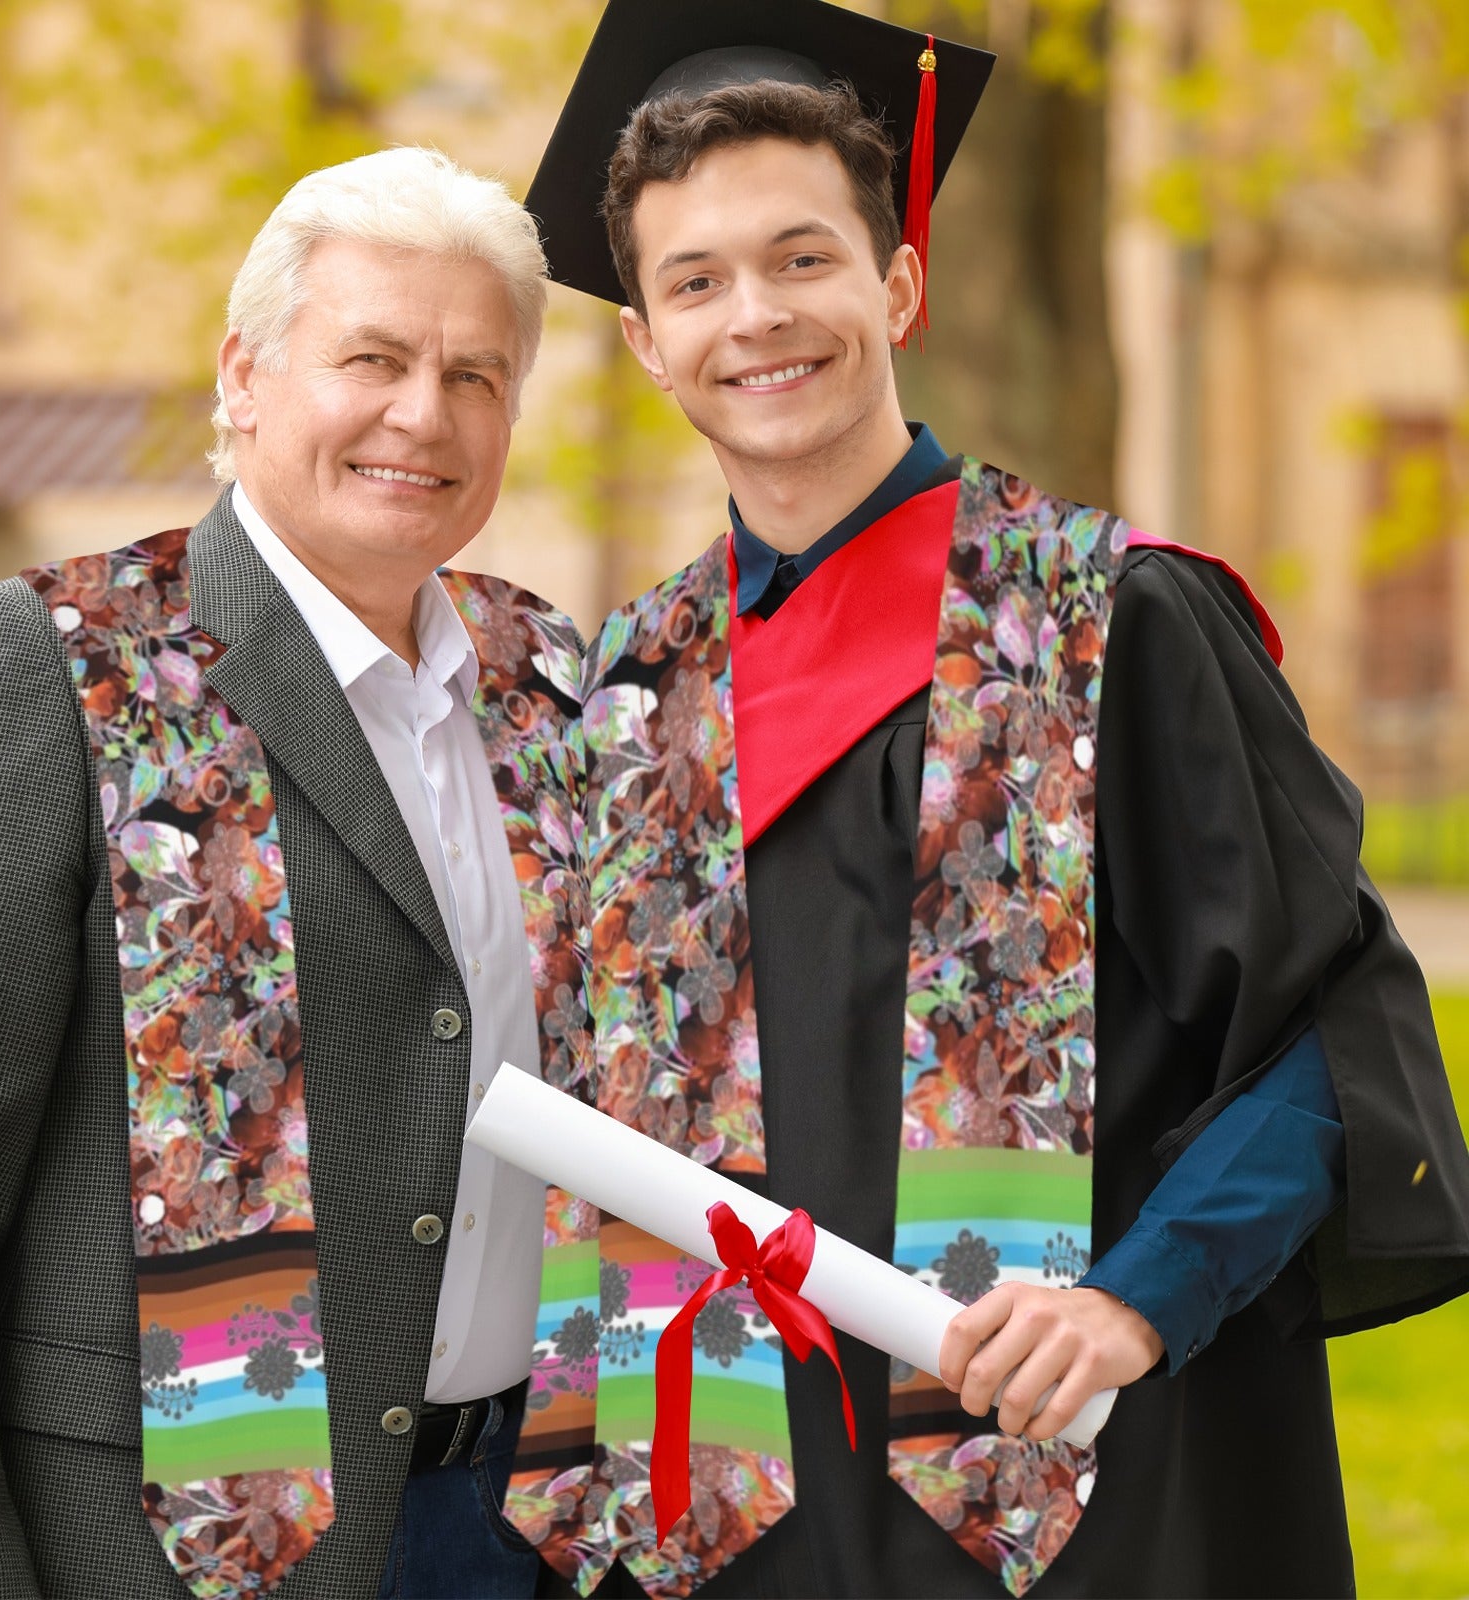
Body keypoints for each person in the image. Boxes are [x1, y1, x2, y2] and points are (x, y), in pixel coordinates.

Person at [496, 3, 1469, 1597]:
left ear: (898, 282)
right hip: (735, 1521)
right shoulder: (628, 696)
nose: (757, 316)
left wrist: (1136, 1300)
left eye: (803, 258)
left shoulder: (1113, 624)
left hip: (1076, 1494)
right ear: (647, 342)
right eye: (697, 281)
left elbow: (1331, 1035)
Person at [0, 146, 588, 1600]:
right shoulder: (63, 667)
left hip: (529, 1527)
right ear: (244, 376)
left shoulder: (558, 686)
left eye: (474, 375)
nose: (421, 413)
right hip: (170, 1550)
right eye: (372, 357)